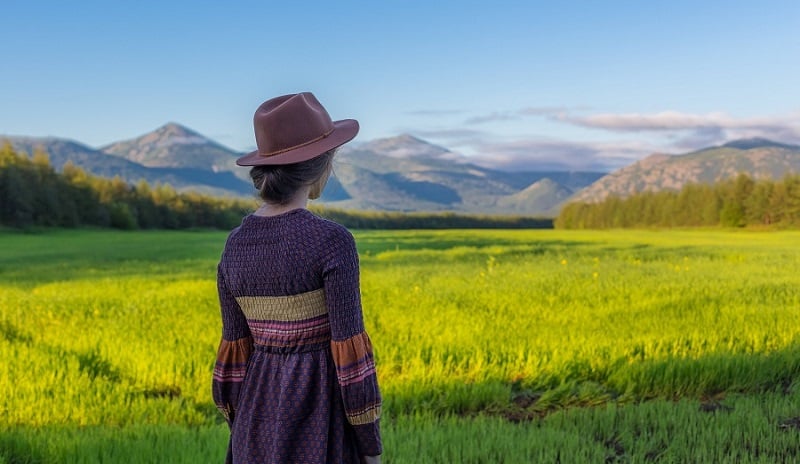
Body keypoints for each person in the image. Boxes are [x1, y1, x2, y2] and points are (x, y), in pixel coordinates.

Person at [212, 92, 382, 464]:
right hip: (321, 425)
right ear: (321, 167)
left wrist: (243, 430)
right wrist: (370, 446)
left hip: (254, 427)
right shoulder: (333, 242)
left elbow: (233, 359)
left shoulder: (234, 246)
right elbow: (351, 360)